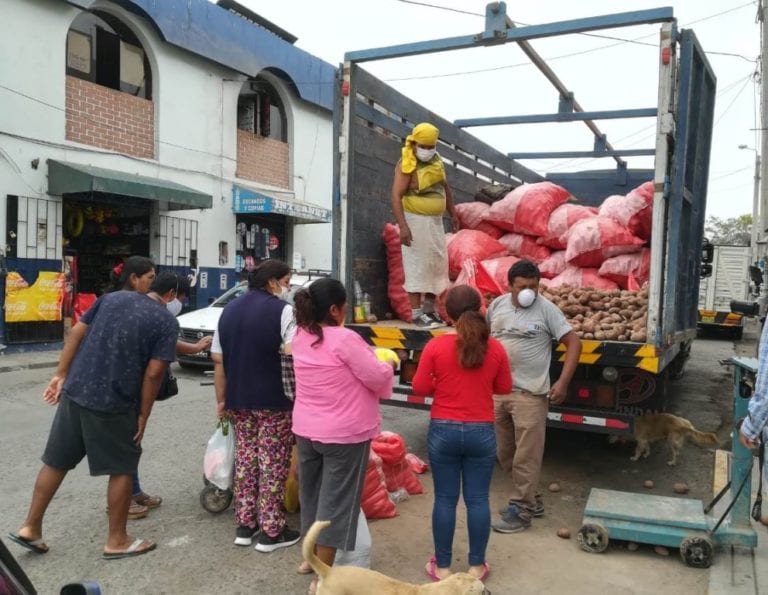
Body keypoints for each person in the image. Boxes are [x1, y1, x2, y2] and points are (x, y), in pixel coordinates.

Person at [7, 256, 178, 559]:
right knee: (122, 467)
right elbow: (154, 373)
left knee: (56, 462)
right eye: (150, 276)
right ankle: (117, 540)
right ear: (136, 279)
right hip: (115, 401)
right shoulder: (165, 321)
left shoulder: (108, 300)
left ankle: (30, 527)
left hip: (76, 391)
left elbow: (76, 332)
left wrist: (60, 374)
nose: (151, 282)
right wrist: (143, 414)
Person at [291, 278, 395, 595]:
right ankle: (323, 576)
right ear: (335, 309)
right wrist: (389, 364)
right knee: (336, 504)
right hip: (344, 435)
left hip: (306, 430)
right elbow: (375, 375)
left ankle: (309, 559)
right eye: (345, 305)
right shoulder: (345, 339)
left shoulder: (301, 335)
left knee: (312, 495)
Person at [411, 285, 512, 582]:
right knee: (478, 500)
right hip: (482, 431)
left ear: (448, 314)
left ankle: (442, 567)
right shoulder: (495, 348)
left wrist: (442, 384)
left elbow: (419, 387)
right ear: (480, 309)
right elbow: (504, 387)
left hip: (444, 430)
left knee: (445, 499)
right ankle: (476, 566)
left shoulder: (435, 346)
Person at [210, 259, 300, 551]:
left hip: (238, 399)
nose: (287, 288)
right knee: (272, 463)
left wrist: (221, 400)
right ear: (272, 282)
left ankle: (245, 525)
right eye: (286, 282)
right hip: (274, 400)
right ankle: (272, 532)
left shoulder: (228, 311)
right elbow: (293, 352)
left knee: (246, 460)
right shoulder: (283, 311)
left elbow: (218, 359)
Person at [487, 260, 582, 533]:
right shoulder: (497, 306)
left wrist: (563, 382)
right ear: (510, 286)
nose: (529, 291)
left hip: (530, 395)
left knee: (526, 457)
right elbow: (486, 339)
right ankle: (533, 499)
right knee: (505, 453)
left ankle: (522, 510)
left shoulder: (547, 310)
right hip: (499, 393)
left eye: (533, 286)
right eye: (522, 287)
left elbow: (574, 343)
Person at [128, 272, 213, 517]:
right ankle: (125, 502)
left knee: (132, 444)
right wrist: (144, 414)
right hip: (127, 387)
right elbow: (154, 373)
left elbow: (167, 342)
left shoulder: (143, 309)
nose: (181, 304)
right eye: (182, 298)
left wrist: (195, 347)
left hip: (117, 385)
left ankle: (134, 491)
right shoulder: (160, 316)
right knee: (128, 445)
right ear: (172, 294)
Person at [391, 122, 459, 328]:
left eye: (431, 147)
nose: (427, 150)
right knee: (417, 266)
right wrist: (403, 226)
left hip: (435, 222)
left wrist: (453, 214)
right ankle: (417, 314)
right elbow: (396, 195)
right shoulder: (406, 163)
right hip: (415, 221)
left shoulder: (437, 162)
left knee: (436, 265)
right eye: (423, 146)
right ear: (414, 143)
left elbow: (446, 188)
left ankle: (430, 311)